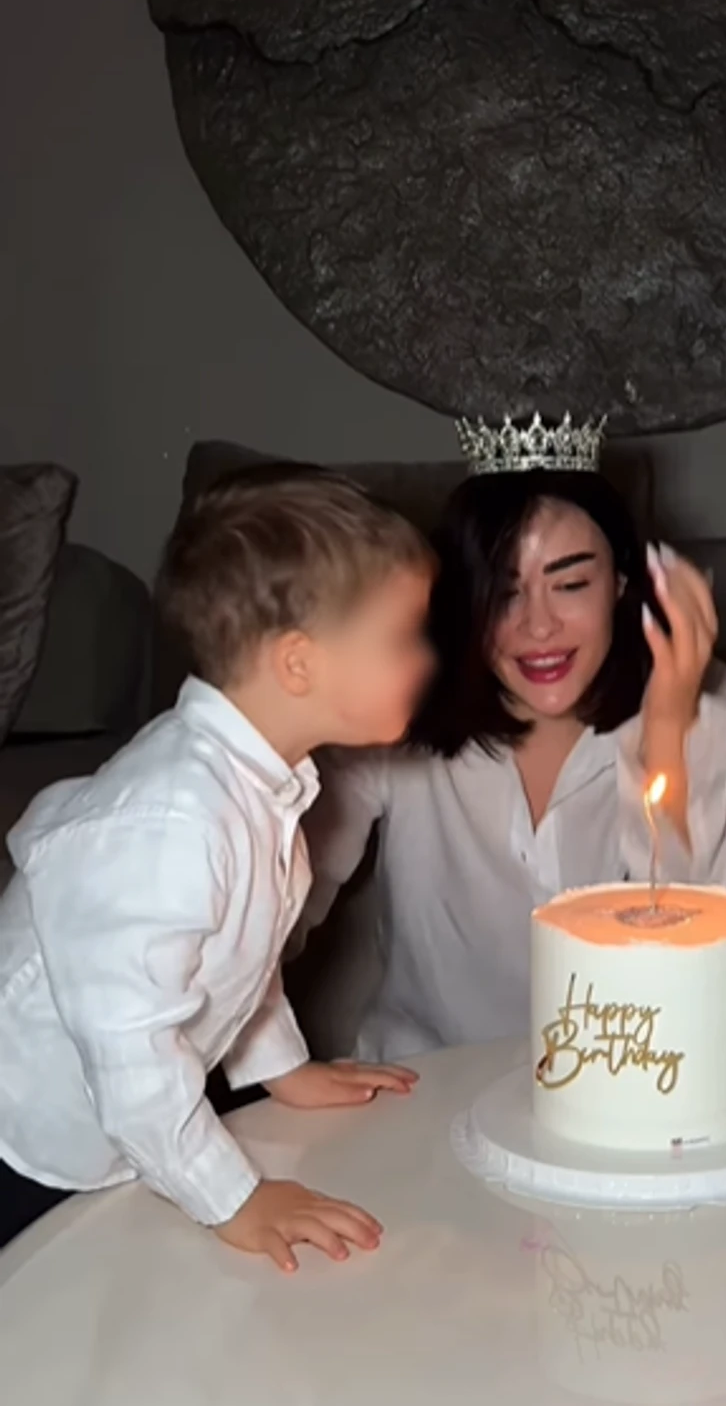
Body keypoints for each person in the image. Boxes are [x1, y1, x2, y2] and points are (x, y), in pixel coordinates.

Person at [0, 466, 434, 1267]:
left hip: (112, 1125)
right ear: (298, 664)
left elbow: (238, 958)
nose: (424, 659)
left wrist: (283, 1069)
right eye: (402, 637)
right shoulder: (174, 824)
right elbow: (131, 1053)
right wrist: (233, 1194)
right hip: (26, 1134)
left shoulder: (267, 786)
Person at [298, 416, 726, 1061]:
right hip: (425, 1089)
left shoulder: (700, 701)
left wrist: (670, 725)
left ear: (621, 583)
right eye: (504, 593)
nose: (539, 627)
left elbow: (709, 949)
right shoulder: (392, 719)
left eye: (570, 584)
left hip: (620, 1086)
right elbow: (277, 911)